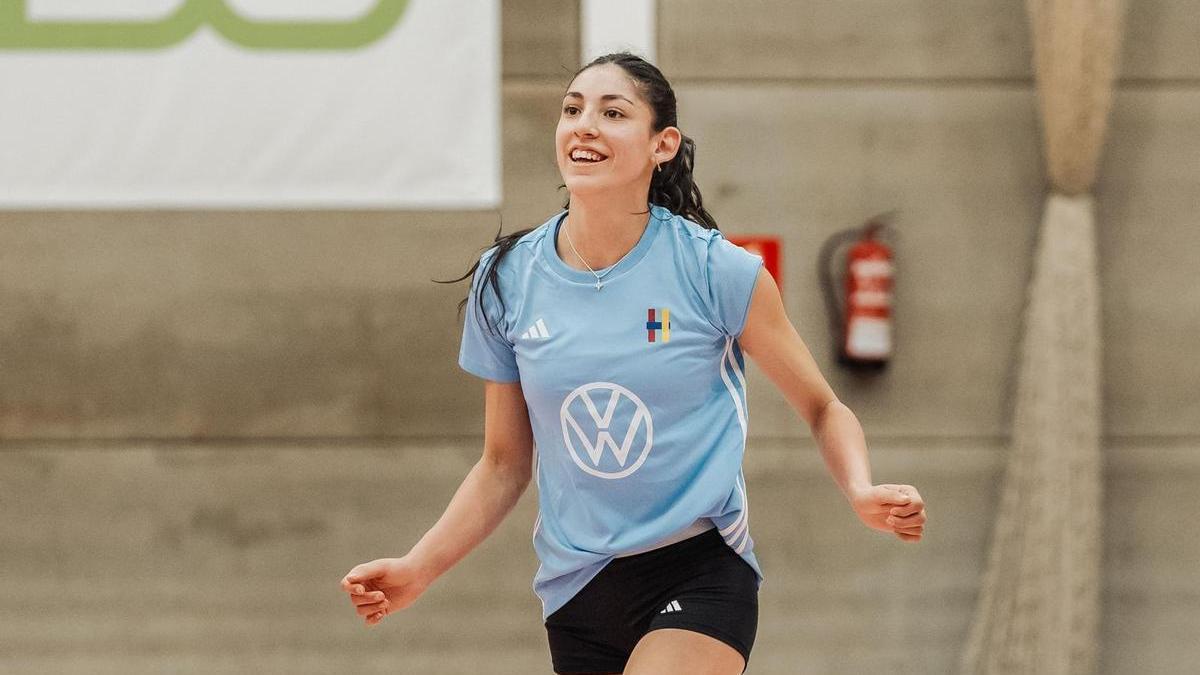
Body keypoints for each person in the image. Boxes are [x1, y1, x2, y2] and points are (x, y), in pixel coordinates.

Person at [340, 52, 927, 675]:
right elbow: (504, 463)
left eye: (612, 112)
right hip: (576, 587)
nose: (584, 125)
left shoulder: (716, 270)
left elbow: (822, 406)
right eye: (572, 109)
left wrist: (861, 490)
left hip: (700, 567)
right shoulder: (507, 279)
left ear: (661, 145)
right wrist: (418, 568)